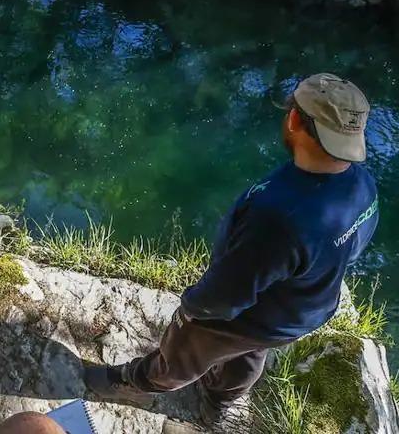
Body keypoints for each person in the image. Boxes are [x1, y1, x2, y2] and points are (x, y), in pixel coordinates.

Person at [85, 73, 380, 427]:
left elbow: (225, 298)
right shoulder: (362, 184)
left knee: (184, 352)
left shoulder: (280, 218)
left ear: (294, 119)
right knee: (251, 349)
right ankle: (219, 400)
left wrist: (193, 308)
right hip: (301, 312)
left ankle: (135, 382)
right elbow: (352, 246)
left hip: (248, 312)